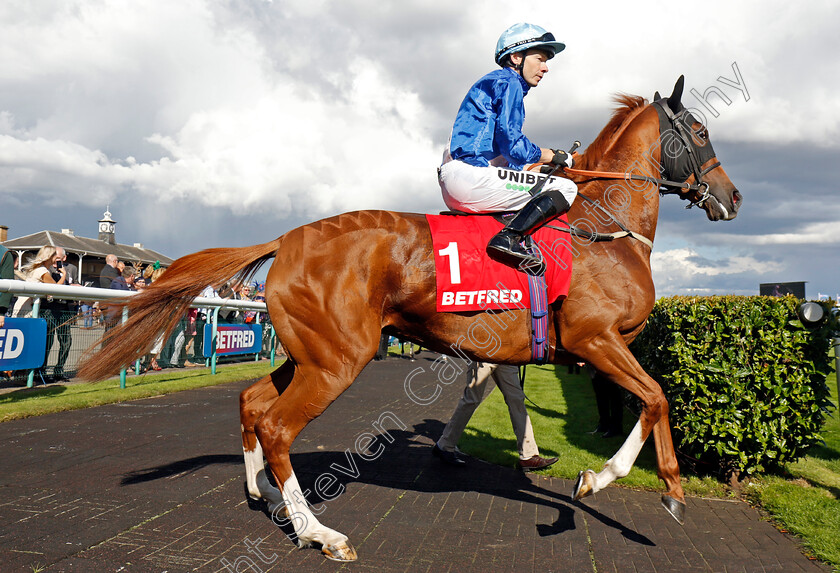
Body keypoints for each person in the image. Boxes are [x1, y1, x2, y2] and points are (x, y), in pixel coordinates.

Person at [437, 22, 578, 271]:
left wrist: (531, 169)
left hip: (462, 177)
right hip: (471, 177)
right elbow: (512, 144)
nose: (545, 68)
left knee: (543, 183)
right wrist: (552, 156)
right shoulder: (508, 82)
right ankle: (509, 238)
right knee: (566, 189)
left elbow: (503, 153)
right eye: (540, 59)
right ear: (516, 57)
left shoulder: (497, 83)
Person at [433, 362, 559, 471]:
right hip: (484, 351)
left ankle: (529, 455)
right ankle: (445, 445)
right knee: (471, 399)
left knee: (516, 399)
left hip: (506, 354)